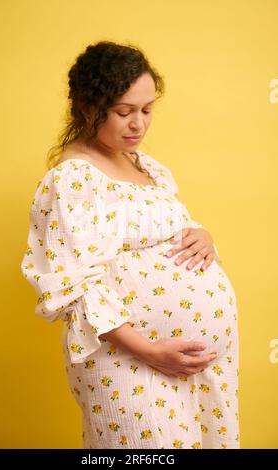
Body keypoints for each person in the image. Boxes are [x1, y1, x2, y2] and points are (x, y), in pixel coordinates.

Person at [20, 40, 240, 449]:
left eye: (146, 109)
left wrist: (204, 235)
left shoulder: (147, 166)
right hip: (130, 362)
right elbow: (75, 288)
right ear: (90, 108)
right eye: (124, 112)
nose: (138, 123)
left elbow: (175, 225)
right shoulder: (71, 180)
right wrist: (151, 350)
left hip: (199, 366)